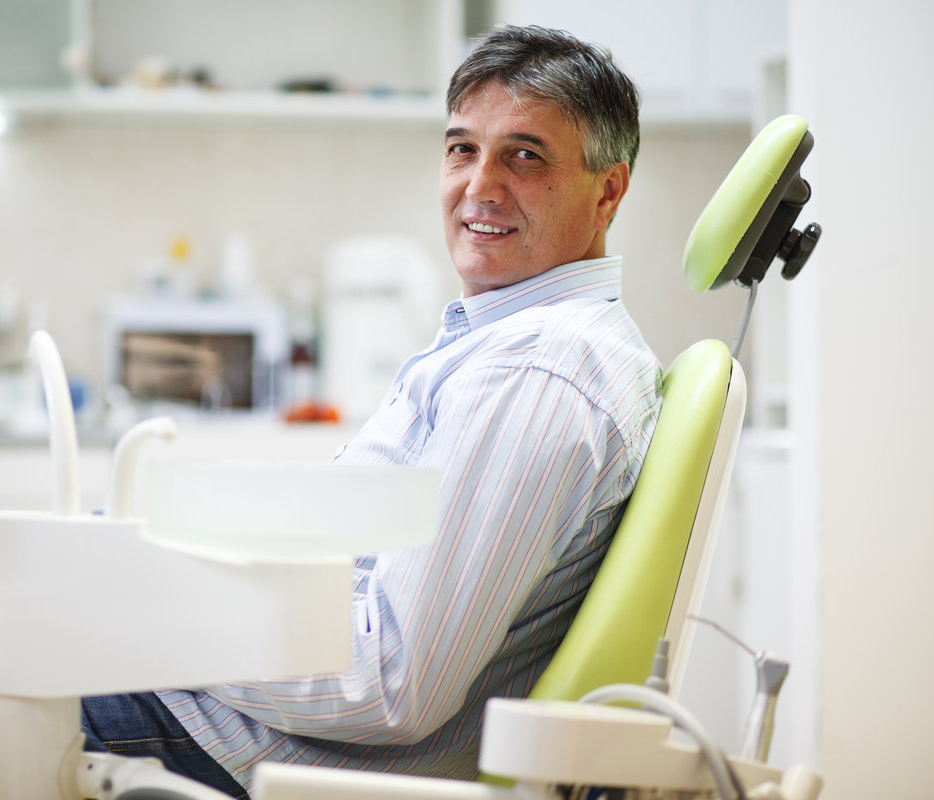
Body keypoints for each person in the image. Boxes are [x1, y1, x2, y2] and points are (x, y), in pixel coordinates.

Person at [81, 23, 661, 799]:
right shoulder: (506, 342)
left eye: (525, 155)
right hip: (231, 720)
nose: (480, 185)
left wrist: (164, 618)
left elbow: (392, 683)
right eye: (462, 149)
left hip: (231, 751)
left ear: (608, 191)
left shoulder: (537, 373)